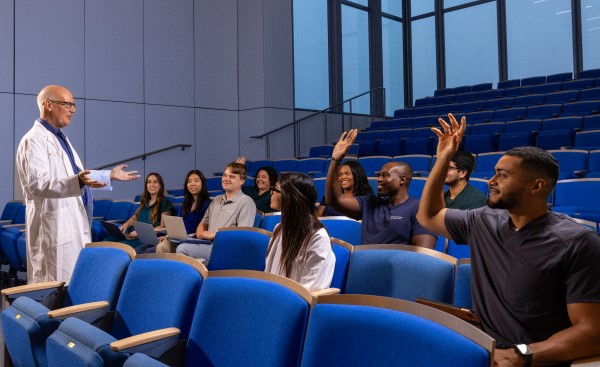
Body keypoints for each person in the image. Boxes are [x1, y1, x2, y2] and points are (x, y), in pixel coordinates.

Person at [416, 113, 600, 366]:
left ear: (535, 187)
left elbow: (592, 332)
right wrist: (443, 158)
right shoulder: (482, 220)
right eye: (494, 173)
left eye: (502, 175)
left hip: (533, 359)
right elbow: (429, 215)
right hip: (481, 350)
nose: (490, 181)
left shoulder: (579, 242)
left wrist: (520, 355)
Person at [16, 85, 140, 284]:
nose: (73, 110)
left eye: (73, 105)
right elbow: (37, 184)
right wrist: (78, 181)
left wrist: (108, 175)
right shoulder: (34, 140)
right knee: (54, 288)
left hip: (70, 224)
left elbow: (76, 177)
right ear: (48, 105)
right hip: (54, 228)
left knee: (72, 284)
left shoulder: (60, 138)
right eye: (67, 104)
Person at [325, 130, 436, 248]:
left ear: (402, 180)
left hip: (398, 265)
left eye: (385, 175)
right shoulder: (369, 202)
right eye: (379, 175)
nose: (379, 179)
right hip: (365, 264)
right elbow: (334, 200)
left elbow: (423, 254)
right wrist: (335, 161)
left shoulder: (420, 208)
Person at [158, 162, 256, 263]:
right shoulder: (217, 200)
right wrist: (201, 233)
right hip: (207, 244)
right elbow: (203, 222)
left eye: (232, 177)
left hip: (225, 248)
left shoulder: (246, 201)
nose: (226, 179)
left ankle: (197, 277)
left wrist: (213, 234)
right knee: (166, 246)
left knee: (182, 249)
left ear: (242, 181)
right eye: (225, 175)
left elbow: (242, 235)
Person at [265, 172, 335, 291]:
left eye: (275, 189)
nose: (271, 192)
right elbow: (269, 274)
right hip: (273, 296)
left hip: (294, 303)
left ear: (291, 197)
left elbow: (311, 289)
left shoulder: (317, 236)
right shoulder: (279, 228)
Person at [110, 172, 173, 253]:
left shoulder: (165, 202)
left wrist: (140, 232)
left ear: (160, 185)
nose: (152, 184)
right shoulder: (145, 201)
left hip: (148, 238)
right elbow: (135, 217)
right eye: (149, 182)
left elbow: (163, 226)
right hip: (135, 235)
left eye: (155, 182)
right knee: (109, 240)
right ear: (146, 186)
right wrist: (124, 225)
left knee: (119, 247)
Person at [155, 169, 211, 254]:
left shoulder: (208, 204)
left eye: (196, 181)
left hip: (194, 240)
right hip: (179, 239)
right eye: (189, 181)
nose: (192, 184)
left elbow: (206, 227)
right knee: (161, 246)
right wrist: (168, 235)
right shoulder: (185, 203)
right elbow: (178, 224)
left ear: (202, 184)